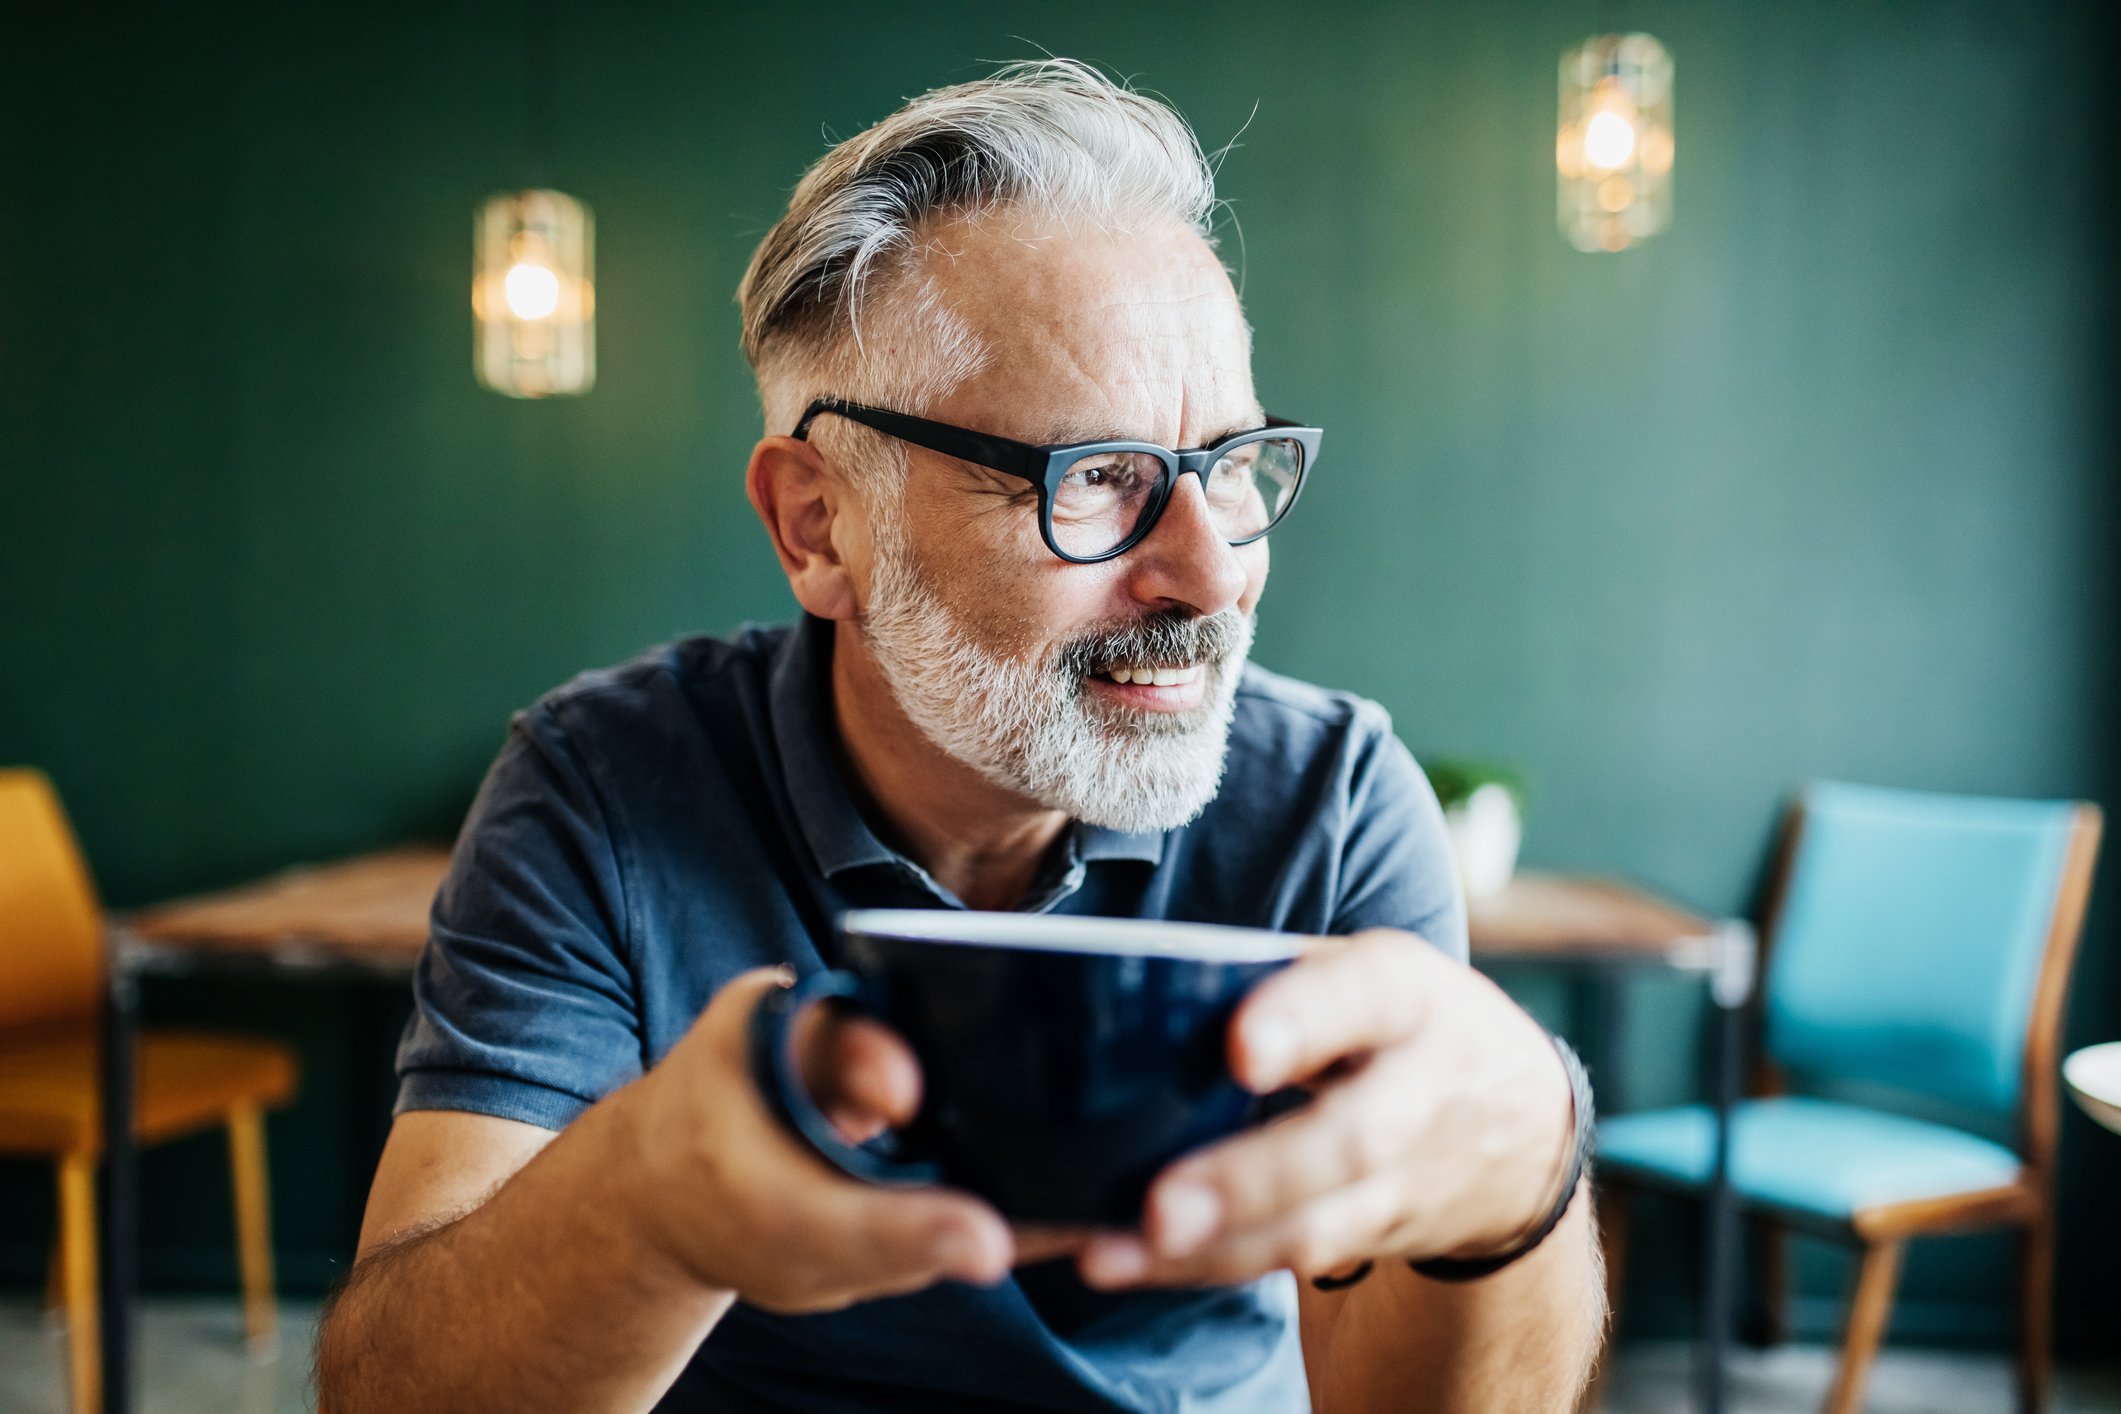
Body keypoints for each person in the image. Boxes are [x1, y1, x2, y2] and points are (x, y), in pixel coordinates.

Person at [314, 59, 1605, 1413]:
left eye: (1229, 467)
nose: (1213, 574)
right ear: (817, 523)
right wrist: (648, 1201)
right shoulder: (605, 783)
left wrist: (1520, 1182)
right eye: (1095, 480)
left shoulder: (1327, 804)